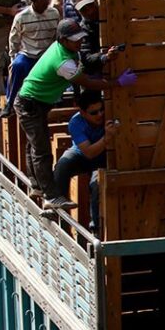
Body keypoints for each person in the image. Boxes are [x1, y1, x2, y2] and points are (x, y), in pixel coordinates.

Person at [14, 19, 134, 211]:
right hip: (31, 103)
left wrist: (104, 58)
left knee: (34, 143)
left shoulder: (67, 50)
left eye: (80, 38)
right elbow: (87, 82)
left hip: (39, 102)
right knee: (41, 149)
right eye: (75, 40)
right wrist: (117, 83)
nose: (79, 42)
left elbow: (84, 62)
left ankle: (37, 185)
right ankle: (51, 196)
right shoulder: (62, 62)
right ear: (62, 40)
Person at [53, 90, 113, 230]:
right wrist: (107, 138)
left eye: (101, 110)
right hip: (84, 155)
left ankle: (96, 228)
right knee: (63, 164)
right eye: (94, 113)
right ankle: (56, 203)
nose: (100, 115)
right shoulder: (76, 123)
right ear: (83, 113)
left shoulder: (110, 114)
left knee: (96, 184)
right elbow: (89, 152)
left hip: (105, 157)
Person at [0, 0, 59, 118]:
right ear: (34, 0)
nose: (45, 1)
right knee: (17, 67)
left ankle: (57, 98)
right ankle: (10, 103)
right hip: (28, 54)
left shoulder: (54, 13)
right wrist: (13, 57)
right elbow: (14, 39)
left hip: (47, 54)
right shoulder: (21, 17)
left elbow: (57, 36)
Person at [72, 0, 107, 75]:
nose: (90, 11)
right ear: (78, 12)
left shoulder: (109, 14)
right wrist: (104, 56)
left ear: (96, 1)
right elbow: (86, 58)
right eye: (84, 10)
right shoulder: (83, 29)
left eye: (91, 5)